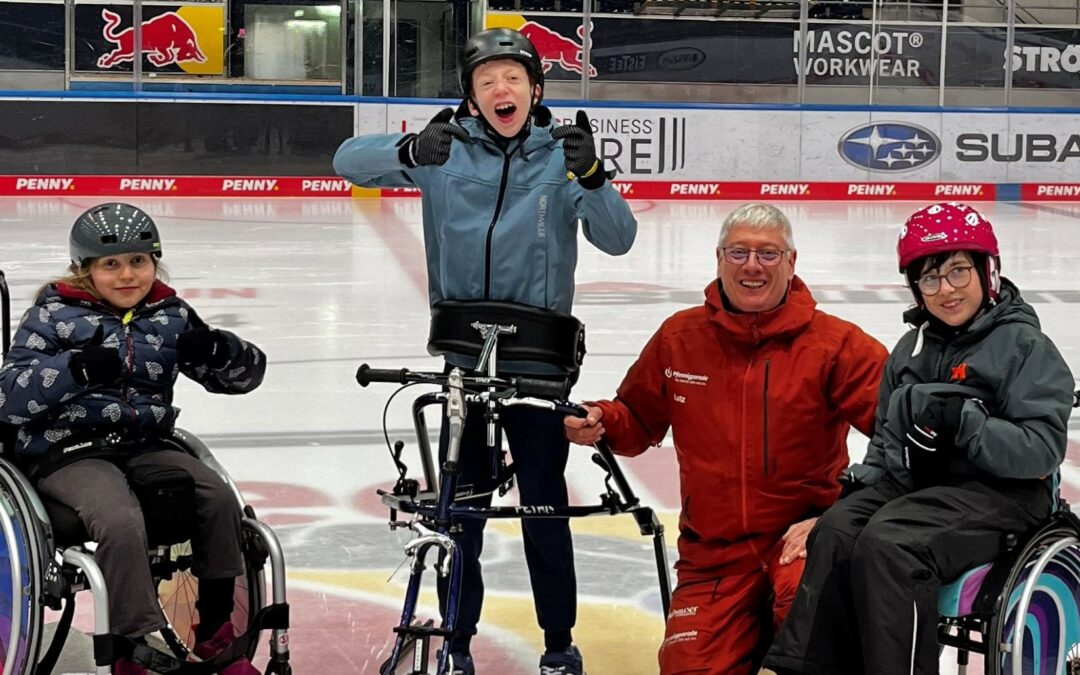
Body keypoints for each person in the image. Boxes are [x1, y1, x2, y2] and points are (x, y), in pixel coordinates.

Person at [333, 27, 637, 675]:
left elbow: (619, 237)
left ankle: (559, 639)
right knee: (461, 509)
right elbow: (347, 161)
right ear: (471, 97)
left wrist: (592, 173)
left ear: (535, 90)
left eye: (514, 78)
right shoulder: (444, 154)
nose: (503, 89)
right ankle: (458, 639)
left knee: (542, 504)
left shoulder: (562, 156)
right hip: (464, 358)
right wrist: (411, 146)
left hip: (539, 358)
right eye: (487, 80)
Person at [564, 202, 887, 675]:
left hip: (802, 545)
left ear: (792, 262)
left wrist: (843, 513)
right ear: (718, 259)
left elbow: (899, 435)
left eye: (768, 254)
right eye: (738, 252)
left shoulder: (836, 345)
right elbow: (637, 418)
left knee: (813, 640)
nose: (751, 266)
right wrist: (601, 420)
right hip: (713, 556)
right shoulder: (680, 337)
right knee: (688, 665)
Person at [761, 202, 1075, 675]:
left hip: (1003, 493)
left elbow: (1040, 451)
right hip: (923, 488)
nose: (945, 289)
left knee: (891, 545)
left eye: (957, 272)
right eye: (930, 278)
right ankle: (803, 667)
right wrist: (854, 495)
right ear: (915, 287)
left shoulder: (1023, 346)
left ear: (987, 271)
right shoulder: (910, 350)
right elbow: (886, 448)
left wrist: (969, 426)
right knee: (838, 532)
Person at [0, 203, 266, 675]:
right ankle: (131, 643)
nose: (127, 275)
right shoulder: (53, 314)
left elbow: (242, 378)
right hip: (69, 449)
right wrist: (75, 370)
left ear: (154, 263)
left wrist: (222, 351)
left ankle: (217, 634)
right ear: (85, 270)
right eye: (111, 265)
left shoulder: (170, 315)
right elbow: (9, 396)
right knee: (119, 518)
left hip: (144, 442)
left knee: (217, 498)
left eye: (139, 261)